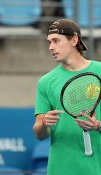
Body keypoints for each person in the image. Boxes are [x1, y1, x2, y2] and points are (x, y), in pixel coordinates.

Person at [33, 18, 101, 175]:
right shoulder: (45, 82)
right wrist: (43, 123)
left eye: (56, 41)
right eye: (49, 42)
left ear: (74, 40)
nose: (51, 47)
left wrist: (98, 125)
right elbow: (39, 134)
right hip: (61, 168)